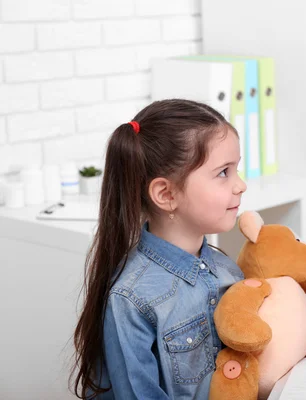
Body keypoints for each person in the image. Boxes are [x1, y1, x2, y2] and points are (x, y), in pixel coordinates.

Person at [71, 99, 249, 399]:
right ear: (166, 194)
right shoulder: (131, 299)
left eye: (236, 169)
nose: (240, 185)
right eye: (223, 173)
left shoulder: (227, 270)